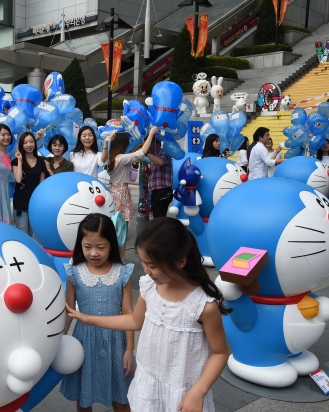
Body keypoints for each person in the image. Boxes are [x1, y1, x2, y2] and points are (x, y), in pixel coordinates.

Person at [66, 217, 230, 412]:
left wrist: (199, 391)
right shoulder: (150, 286)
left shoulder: (203, 306)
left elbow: (220, 353)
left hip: (183, 392)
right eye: (144, 263)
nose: (146, 271)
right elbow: (135, 320)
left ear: (180, 262)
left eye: (152, 266)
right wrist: (89, 319)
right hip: (148, 384)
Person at [60, 213, 135, 412]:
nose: (94, 253)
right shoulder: (74, 272)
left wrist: (129, 349)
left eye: (101, 247)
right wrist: (60, 340)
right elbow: (69, 311)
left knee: (121, 397)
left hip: (116, 343)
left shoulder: (122, 272)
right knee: (84, 397)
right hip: (84, 341)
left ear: (111, 244)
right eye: (88, 247)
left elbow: (129, 314)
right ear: (80, 245)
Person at [102, 128, 156, 262]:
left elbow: (133, 154)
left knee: (114, 228)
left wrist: (134, 149)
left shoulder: (113, 158)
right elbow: (142, 152)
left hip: (114, 191)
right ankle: (121, 259)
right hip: (122, 193)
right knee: (121, 230)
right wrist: (151, 134)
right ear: (122, 144)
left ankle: (115, 258)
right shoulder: (121, 159)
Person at [12, 130, 47, 235]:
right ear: (21, 145)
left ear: (35, 143)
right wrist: (19, 161)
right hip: (21, 204)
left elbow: (41, 185)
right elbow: (18, 179)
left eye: (31, 142)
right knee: (23, 235)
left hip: (34, 205)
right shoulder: (15, 162)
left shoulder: (41, 161)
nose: (29, 145)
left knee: (31, 235)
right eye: (26, 142)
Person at [146, 138, 173, 219]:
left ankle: (163, 231)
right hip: (156, 191)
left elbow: (161, 162)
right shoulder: (155, 155)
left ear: (156, 143)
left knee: (159, 218)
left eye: (149, 143)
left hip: (162, 191)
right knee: (157, 216)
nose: (148, 146)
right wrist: (147, 173)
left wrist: (146, 153)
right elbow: (156, 177)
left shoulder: (163, 152)